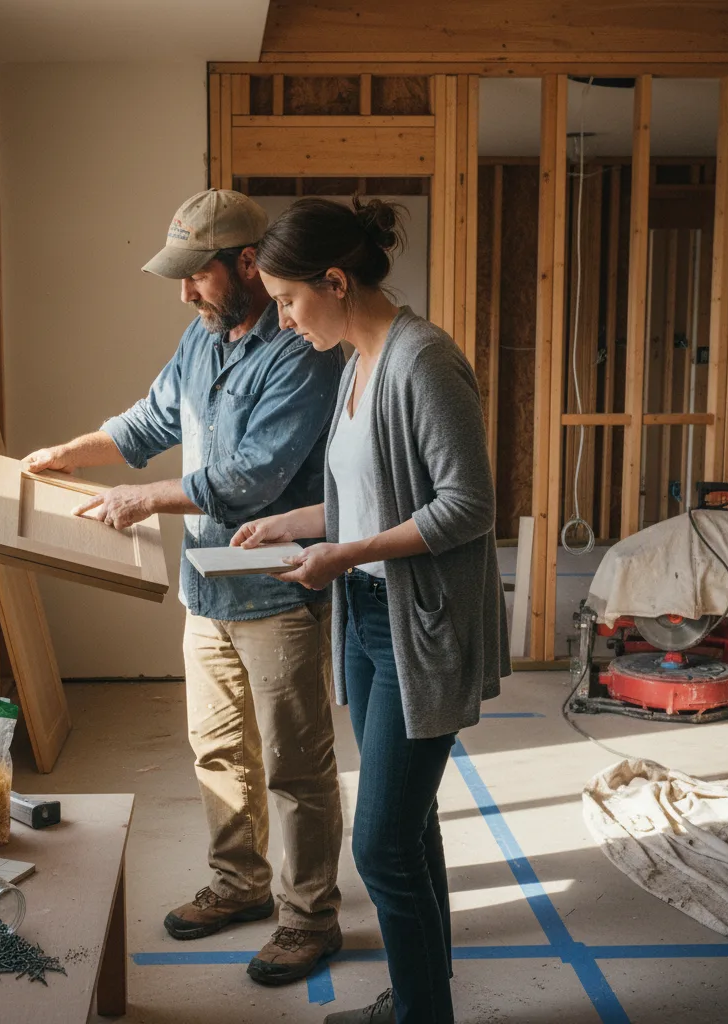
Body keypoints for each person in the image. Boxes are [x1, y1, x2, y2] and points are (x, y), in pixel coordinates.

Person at [24, 189, 346, 986]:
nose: (185, 292)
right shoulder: (200, 338)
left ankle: (309, 919)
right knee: (217, 750)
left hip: (278, 590)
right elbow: (148, 421)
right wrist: (71, 451)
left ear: (245, 263)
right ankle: (240, 885)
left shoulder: (304, 347)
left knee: (294, 763)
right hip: (207, 592)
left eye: (195, 276)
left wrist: (141, 498)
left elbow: (252, 475)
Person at [231, 197, 510, 1023]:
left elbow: (470, 504)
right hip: (366, 616)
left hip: (417, 629)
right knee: (409, 825)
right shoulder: (355, 359)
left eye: (288, 300)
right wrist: (299, 524)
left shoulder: (421, 359)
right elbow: (369, 495)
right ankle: (421, 1003)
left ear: (337, 280)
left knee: (381, 844)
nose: (283, 320)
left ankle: (422, 1015)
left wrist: (346, 552)